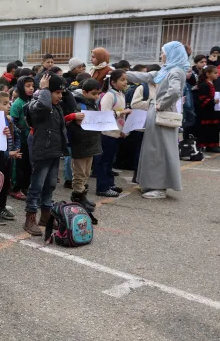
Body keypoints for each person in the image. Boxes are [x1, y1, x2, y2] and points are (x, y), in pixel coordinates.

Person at [130, 41, 187, 199]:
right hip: (156, 113)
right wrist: (120, 73)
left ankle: (160, 187)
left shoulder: (175, 71)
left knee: (160, 151)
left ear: (171, 54)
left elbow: (175, 91)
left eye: (163, 52)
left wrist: (163, 104)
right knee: (152, 150)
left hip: (163, 114)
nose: (161, 55)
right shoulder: (166, 70)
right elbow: (146, 76)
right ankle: (151, 183)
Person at [24, 74, 74, 236]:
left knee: (50, 184)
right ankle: (30, 218)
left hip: (54, 150)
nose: (60, 96)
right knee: (37, 186)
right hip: (42, 150)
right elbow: (44, 106)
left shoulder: (57, 106)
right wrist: (44, 89)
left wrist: (62, 90)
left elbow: (71, 104)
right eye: (57, 92)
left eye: (61, 93)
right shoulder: (35, 105)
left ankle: (46, 216)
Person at [63, 79, 102, 214]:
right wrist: (74, 120)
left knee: (86, 172)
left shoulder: (93, 104)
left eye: (98, 94)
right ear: (84, 92)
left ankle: (82, 196)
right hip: (80, 144)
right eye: (94, 93)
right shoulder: (79, 105)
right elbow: (68, 122)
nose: (96, 96)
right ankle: (77, 198)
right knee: (79, 173)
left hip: (91, 142)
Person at [95, 70, 132, 198]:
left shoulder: (121, 94)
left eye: (126, 79)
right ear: (113, 82)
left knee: (110, 161)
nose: (125, 82)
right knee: (104, 161)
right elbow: (104, 114)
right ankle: (102, 187)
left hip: (116, 133)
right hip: (107, 133)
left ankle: (109, 184)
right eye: (122, 79)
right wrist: (121, 113)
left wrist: (122, 131)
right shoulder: (109, 96)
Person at [0, 91, 21, 225]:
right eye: (5, 103)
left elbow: (15, 135)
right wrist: (8, 153)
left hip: (8, 159)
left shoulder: (8, 119)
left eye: (9, 103)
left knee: (6, 183)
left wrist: (15, 149)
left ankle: (2, 207)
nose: (9, 106)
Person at [9, 75, 35, 200]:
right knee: (18, 165)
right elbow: (12, 122)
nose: (31, 89)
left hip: (30, 139)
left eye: (32, 86)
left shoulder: (32, 101)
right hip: (20, 140)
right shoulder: (17, 104)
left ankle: (25, 186)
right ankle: (15, 188)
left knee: (28, 165)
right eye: (27, 86)